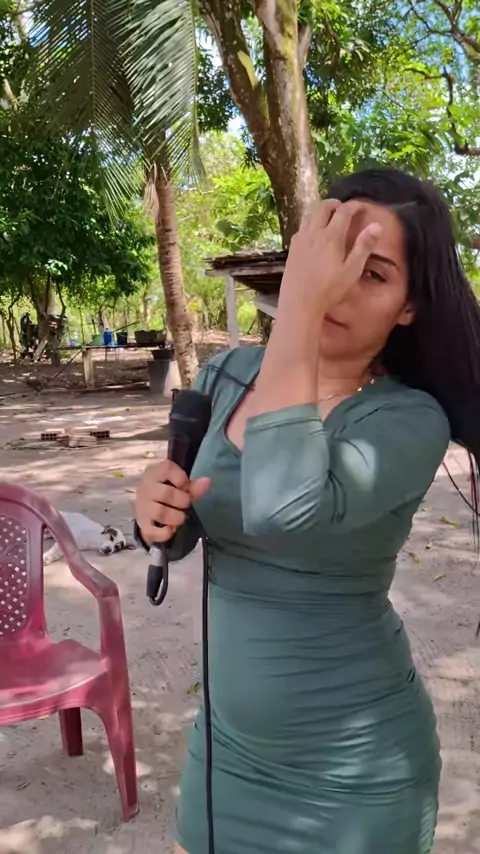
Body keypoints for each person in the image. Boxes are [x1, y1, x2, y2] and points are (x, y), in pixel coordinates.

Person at [135, 168, 480, 854]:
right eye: (332, 259)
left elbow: (281, 506)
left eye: (372, 274)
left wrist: (296, 308)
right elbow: (196, 525)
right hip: (224, 753)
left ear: (410, 306)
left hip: (353, 779)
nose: (337, 288)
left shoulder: (409, 420)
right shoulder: (226, 377)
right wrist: (159, 514)